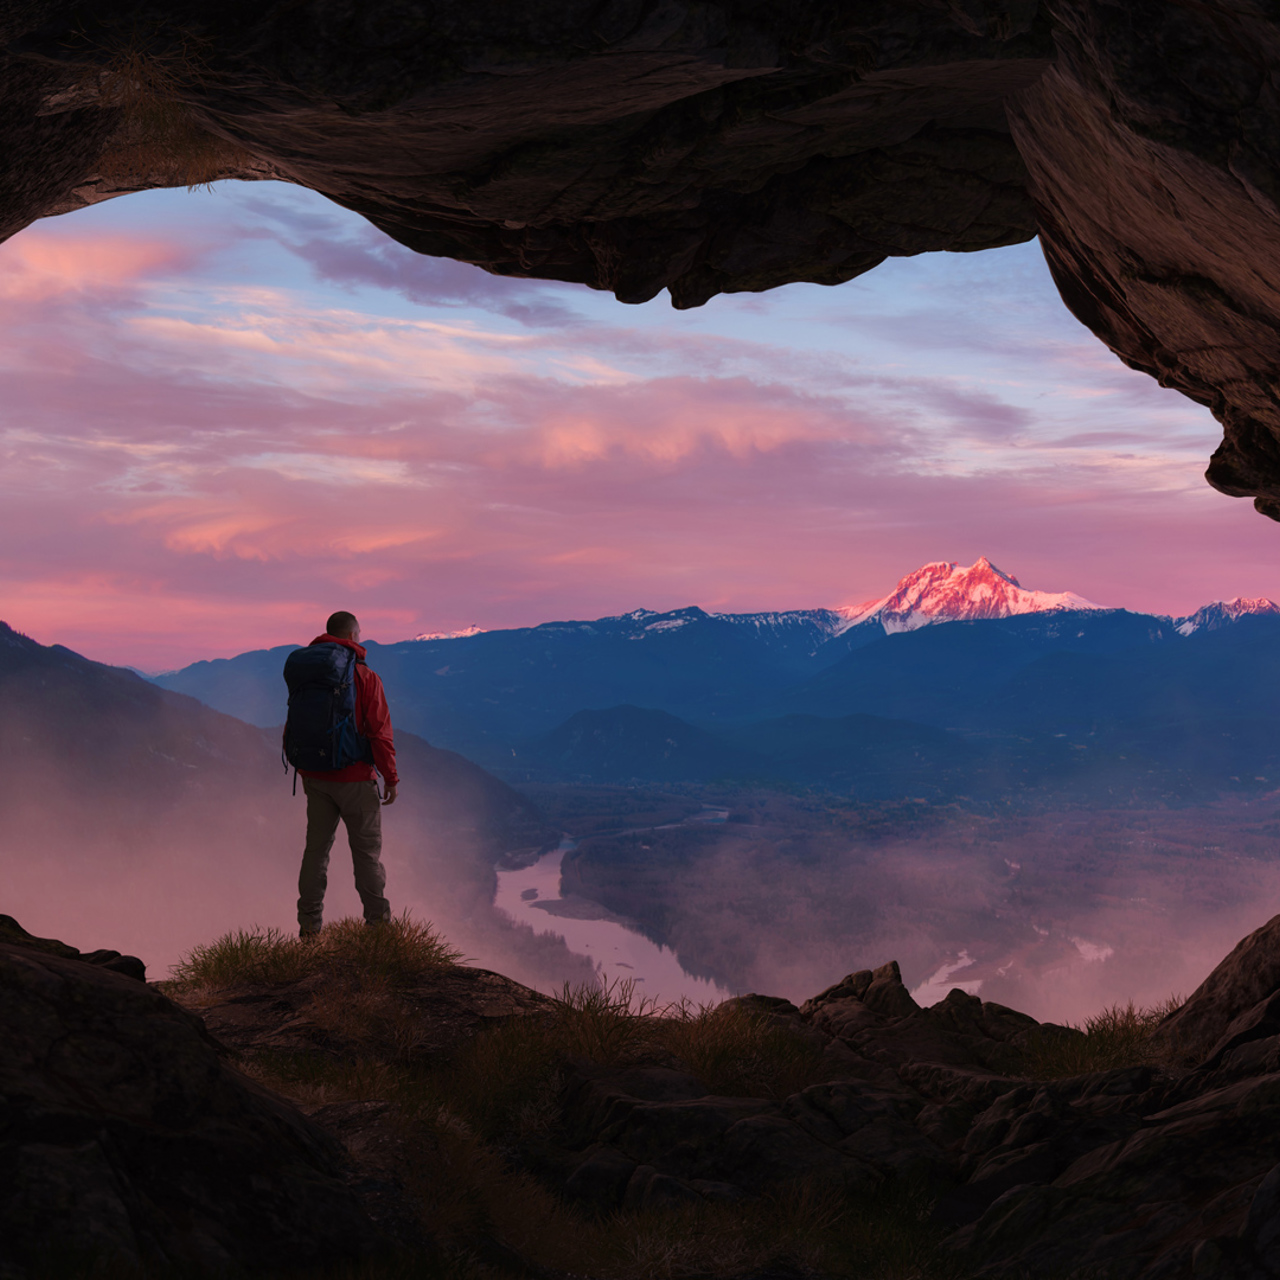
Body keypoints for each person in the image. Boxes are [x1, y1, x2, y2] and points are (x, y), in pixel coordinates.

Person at [292, 611, 399, 936]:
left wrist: (304, 767)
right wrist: (390, 776)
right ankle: (378, 930)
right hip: (356, 779)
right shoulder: (365, 676)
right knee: (366, 855)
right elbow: (379, 732)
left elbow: (295, 722)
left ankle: (309, 930)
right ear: (353, 636)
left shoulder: (307, 672)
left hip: (315, 776)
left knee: (316, 852)